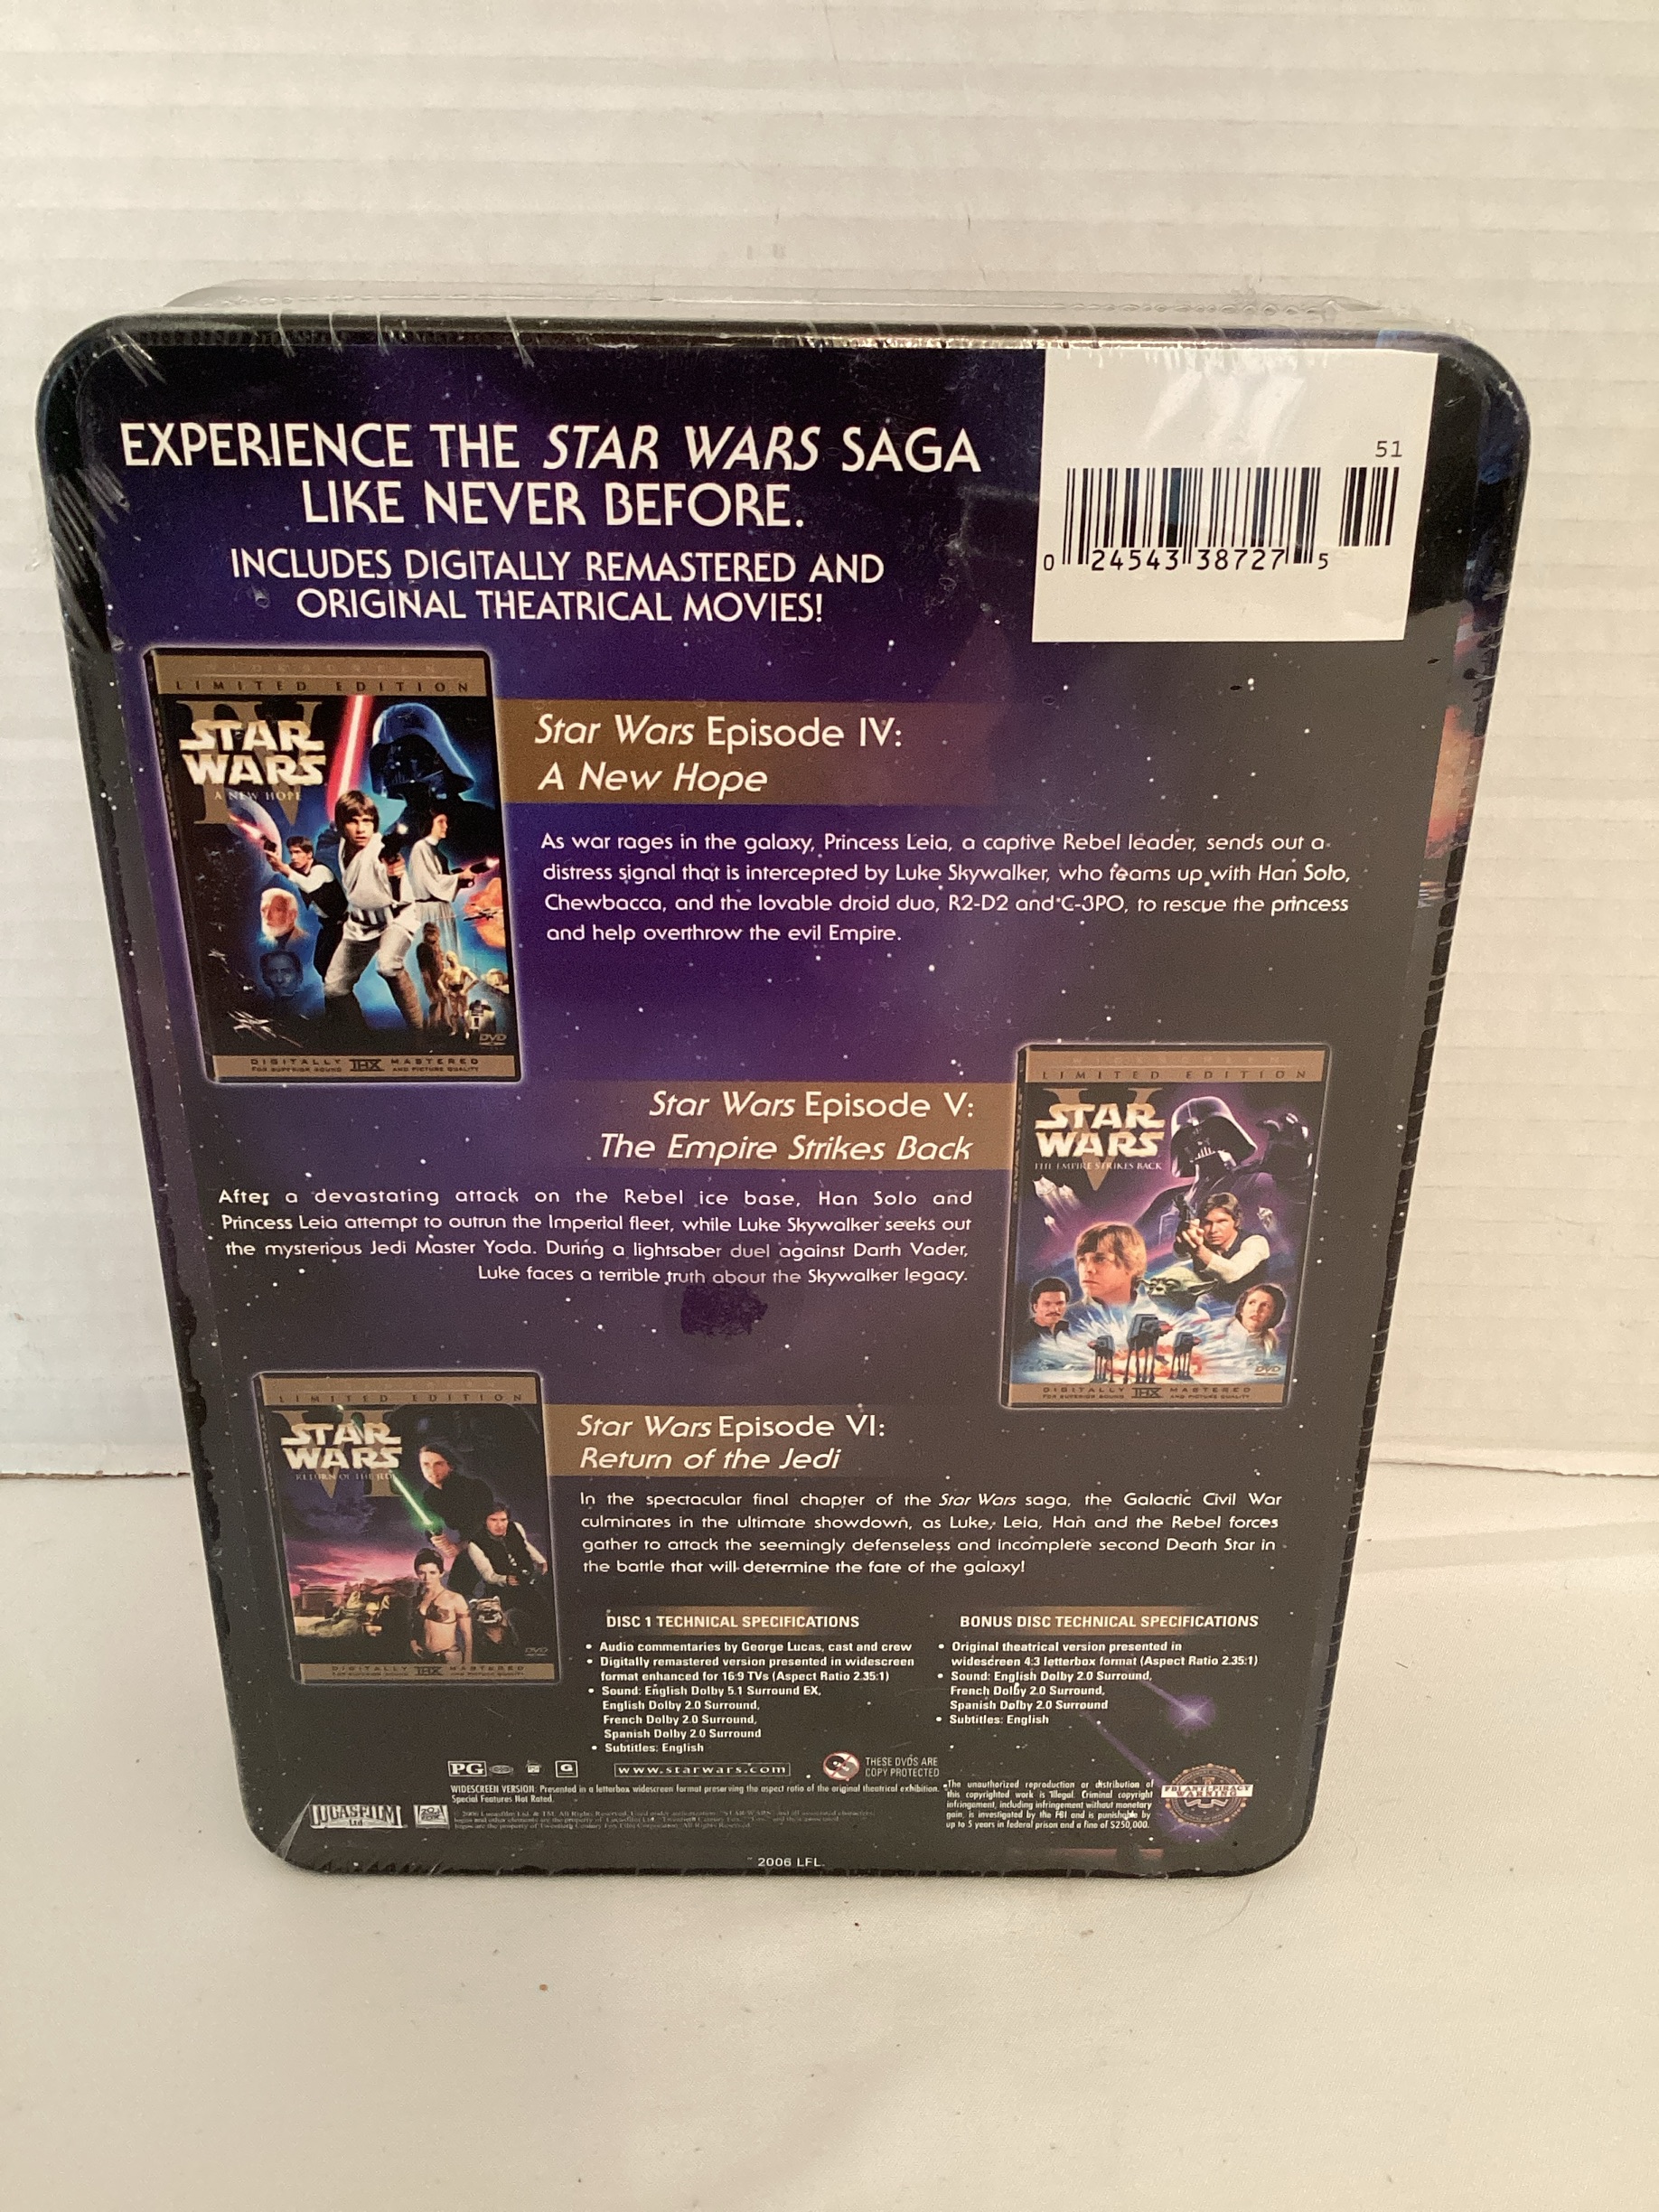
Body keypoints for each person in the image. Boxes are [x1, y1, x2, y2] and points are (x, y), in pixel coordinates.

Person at [371, 810, 491, 1029]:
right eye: (441, 821)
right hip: (429, 911)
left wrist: (460, 880)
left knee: (449, 958)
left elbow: (442, 883)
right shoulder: (421, 848)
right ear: (429, 824)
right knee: (433, 965)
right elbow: (432, 884)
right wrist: (459, 877)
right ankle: (435, 1019)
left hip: (442, 909)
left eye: (446, 821)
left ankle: (452, 1018)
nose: (446, 826)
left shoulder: (437, 853)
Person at [321, 789, 423, 1030]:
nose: (361, 829)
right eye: (353, 822)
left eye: (367, 821)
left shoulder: (378, 849)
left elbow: (387, 864)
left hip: (395, 920)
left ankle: (420, 1032)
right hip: (360, 925)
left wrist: (393, 872)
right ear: (342, 825)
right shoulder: (340, 846)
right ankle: (361, 1038)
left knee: (388, 966)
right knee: (334, 987)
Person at [454, 1502, 551, 1641]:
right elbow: (488, 1575)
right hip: (499, 1591)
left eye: (503, 1520)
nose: (499, 1525)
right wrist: (505, 1579)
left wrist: (541, 1560)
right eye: (493, 1520)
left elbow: (526, 1545)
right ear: (485, 1521)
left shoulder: (516, 1528)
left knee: (545, 1616)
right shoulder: (475, 1545)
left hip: (524, 1584)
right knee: (496, 1629)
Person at [1173, 1192, 1272, 1308]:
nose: (1213, 1230)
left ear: (1236, 1221)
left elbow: (1232, 1273)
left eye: (1221, 1222)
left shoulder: (1256, 1242)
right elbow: (1181, 1254)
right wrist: (1183, 1240)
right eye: (1207, 1223)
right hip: (1210, 1309)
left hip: (1250, 1310)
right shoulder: (1203, 1241)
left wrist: (1198, 1249)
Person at [272, 834, 347, 982]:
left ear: (309, 854)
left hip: (341, 925)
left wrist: (283, 868)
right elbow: (281, 869)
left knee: (329, 966)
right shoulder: (299, 869)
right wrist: (275, 861)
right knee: (320, 964)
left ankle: (338, 992)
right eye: (291, 853)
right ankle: (334, 991)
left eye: (297, 852)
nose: (293, 857)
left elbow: (308, 885)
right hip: (327, 926)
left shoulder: (320, 870)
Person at [410, 1440, 495, 1552]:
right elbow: (432, 1528)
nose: (432, 1470)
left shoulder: (475, 1487)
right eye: (426, 1464)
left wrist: (461, 1546)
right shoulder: (429, 1497)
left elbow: (489, 1528)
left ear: (450, 1466)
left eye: (438, 1464)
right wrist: (437, 1539)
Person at [409, 1549, 472, 1664]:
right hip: (424, 1658)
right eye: (422, 1573)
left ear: (441, 1573)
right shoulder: (418, 1599)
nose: (427, 1578)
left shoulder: (455, 1598)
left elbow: (467, 1636)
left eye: (432, 1572)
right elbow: (416, 1626)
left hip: (449, 1658)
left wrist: (467, 1664)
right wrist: (413, 1643)